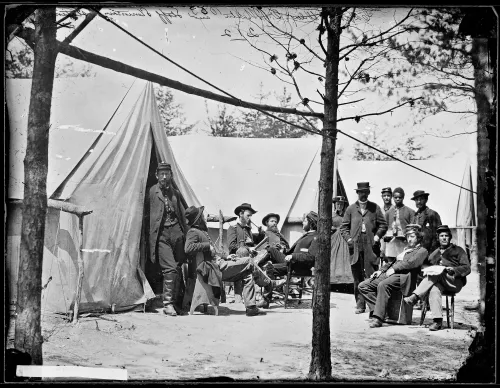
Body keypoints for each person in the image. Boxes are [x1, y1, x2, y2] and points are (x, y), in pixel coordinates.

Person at [184, 205, 285, 316]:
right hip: (213, 268)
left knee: (248, 272)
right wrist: (207, 245)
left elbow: (214, 253)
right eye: (202, 216)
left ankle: (251, 307)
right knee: (249, 261)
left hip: (219, 263)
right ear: (198, 219)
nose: (204, 217)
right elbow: (188, 248)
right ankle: (269, 284)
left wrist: (226, 257)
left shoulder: (201, 231)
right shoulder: (193, 232)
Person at [358, 224, 428, 328]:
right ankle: (378, 311)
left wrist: (394, 269)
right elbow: (392, 262)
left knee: (383, 285)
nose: (409, 239)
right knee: (363, 286)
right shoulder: (406, 249)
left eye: (412, 237)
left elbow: (411, 263)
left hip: (403, 276)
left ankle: (378, 318)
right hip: (392, 273)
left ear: (419, 238)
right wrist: (381, 271)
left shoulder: (422, 251)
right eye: (408, 236)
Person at [404, 225, 471, 331]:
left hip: (454, 282)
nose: (444, 238)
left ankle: (415, 296)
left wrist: (453, 270)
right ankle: (437, 321)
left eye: (446, 236)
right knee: (434, 289)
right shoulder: (436, 252)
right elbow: (426, 265)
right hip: (440, 281)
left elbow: (467, 268)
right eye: (441, 236)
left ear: (450, 238)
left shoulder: (458, 250)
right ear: (438, 238)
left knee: (437, 273)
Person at [146, 162, 188, 317]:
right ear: (157, 176)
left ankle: (176, 303)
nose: (165, 177)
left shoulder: (175, 193)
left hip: (177, 234)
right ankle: (168, 304)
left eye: (167, 174)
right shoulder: (151, 192)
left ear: (171, 175)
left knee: (177, 268)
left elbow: (183, 215)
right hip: (161, 235)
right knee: (170, 268)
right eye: (162, 174)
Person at [340, 182, 388, 314]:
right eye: (361, 192)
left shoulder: (375, 208)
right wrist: (349, 239)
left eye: (366, 192)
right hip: (355, 247)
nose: (363, 194)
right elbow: (343, 227)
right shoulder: (350, 209)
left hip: (371, 247)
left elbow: (383, 225)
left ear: (369, 193)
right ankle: (360, 305)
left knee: (372, 276)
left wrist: (377, 236)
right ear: (357, 193)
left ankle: (373, 308)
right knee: (357, 277)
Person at [257, 211, 319, 308]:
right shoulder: (308, 235)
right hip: (291, 262)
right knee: (271, 250)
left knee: (269, 268)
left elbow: (311, 257)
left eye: (304, 221)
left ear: (310, 223)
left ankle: (265, 299)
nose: (302, 223)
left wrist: (293, 256)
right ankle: (254, 265)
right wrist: (285, 252)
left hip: (297, 266)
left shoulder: (316, 237)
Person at [410, 190, 442, 310]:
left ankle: (428, 302)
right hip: (418, 250)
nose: (419, 202)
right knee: (418, 274)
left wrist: (435, 252)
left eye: (421, 199)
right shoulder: (415, 216)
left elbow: (439, 234)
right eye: (417, 200)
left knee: (428, 275)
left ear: (426, 200)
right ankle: (422, 300)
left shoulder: (432, 214)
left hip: (430, 251)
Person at [227, 203, 266, 303]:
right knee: (245, 254)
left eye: (251, 216)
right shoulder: (233, 227)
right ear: (241, 214)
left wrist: (261, 233)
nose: (250, 218)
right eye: (248, 215)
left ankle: (261, 290)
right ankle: (264, 286)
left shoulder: (248, 229)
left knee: (267, 252)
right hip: (238, 258)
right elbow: (231, 246)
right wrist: (248, 249)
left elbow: (254, 241)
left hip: (250, 257)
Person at [383, 187, 416, 261]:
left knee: (403, 262)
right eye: (395, 197)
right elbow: (385, 228)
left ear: (403, 197)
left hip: (404, 242)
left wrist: (406, 236)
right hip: (391, 243)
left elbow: (413, 228)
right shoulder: (388, 213)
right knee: (390, 264)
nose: (397, 199)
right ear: (393, 198)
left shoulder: (410, 211)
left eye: (399, 197)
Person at [330, 196, 353, 284]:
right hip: (334, 238)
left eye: (341, 204)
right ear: (335, 205)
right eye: (338, 204)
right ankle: (333, 277)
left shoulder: (346, 215)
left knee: (344, 257)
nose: (340, 206)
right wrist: (334, 228)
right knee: (333, 256)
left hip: (344, 238)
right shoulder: (332, 215)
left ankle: (345, 278)